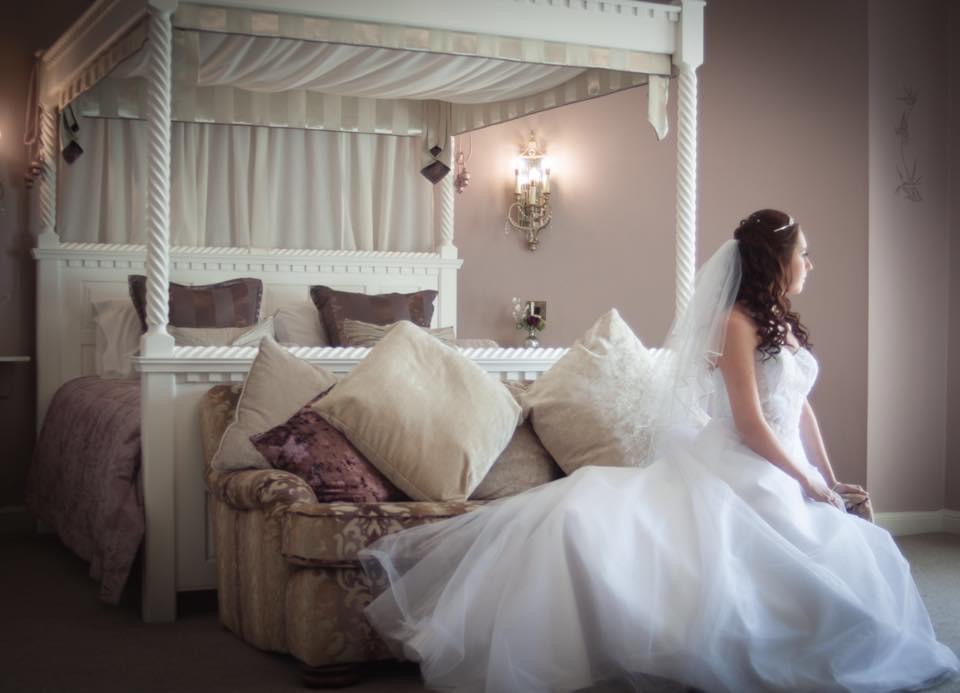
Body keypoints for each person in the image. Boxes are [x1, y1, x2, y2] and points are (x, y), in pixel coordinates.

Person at [359, 210, 960, 692]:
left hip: (781, 464)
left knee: (860, 547)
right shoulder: (735, 323)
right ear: (777, 259)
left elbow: (799, 406)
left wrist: (827, 478)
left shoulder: (781, 320)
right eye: (803, 252)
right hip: (739, 463)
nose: (810, 262)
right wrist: (806, 485)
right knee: (770, 563)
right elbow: (751, 423)